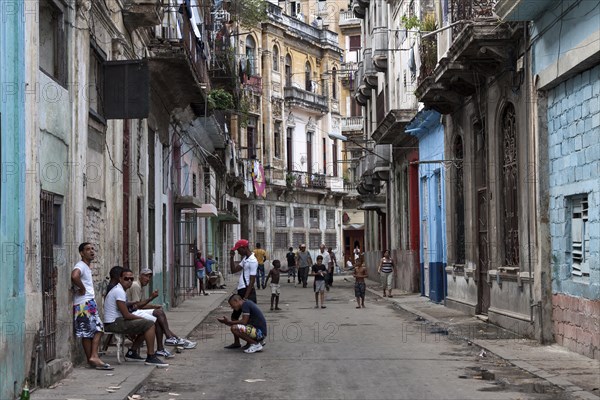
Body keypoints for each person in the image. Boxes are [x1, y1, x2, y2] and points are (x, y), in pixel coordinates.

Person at [104, 268, 168, 367]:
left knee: (146, 325)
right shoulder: (119, 291)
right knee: (149, 324)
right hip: (113, 323)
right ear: (120, 279)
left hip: (117, 320)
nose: (129, 281)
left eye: (131, 279)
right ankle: (150, 356)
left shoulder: (120, 290)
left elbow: (122, 305)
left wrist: (130, 303)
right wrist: (141, 318)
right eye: (126, 278)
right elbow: (126, 315)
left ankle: (132, 352)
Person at [128, 268, 197, 355]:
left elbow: (139, 305)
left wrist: (153, 306)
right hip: (131, 313)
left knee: (158, 317)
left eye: (149, 277)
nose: (148, 279)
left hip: (134, 311)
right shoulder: (136, 286)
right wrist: (151, 298)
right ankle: (171, 338)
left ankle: (169, 342)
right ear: (140, 276)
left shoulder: (140, 286)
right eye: (146, 276)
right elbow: (137, 306)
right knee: (158, 315)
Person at [71, 242, 112, 370]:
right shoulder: (81, 265)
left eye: (93, 249)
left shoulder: (86, 267)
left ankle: (91, 360)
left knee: (86, 333)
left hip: (82, 304)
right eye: (88, 249)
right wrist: (82, 288)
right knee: (99, 329)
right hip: (86, 303)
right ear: (82, 253)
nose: (91, 251)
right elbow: (74, 276)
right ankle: (94, 356)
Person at [225, 239, 258, 349]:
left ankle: (250, 342)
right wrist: (231, 257)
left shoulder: (253, 260)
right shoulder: (245, 259)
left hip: (247, 292)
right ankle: (237, 342)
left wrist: (245, 298)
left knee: (248, 320)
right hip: (242, 291)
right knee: (234, 316)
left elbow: (252, 281)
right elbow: (234, 270)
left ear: (244, 248)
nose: (238, 252)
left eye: (238, 250)